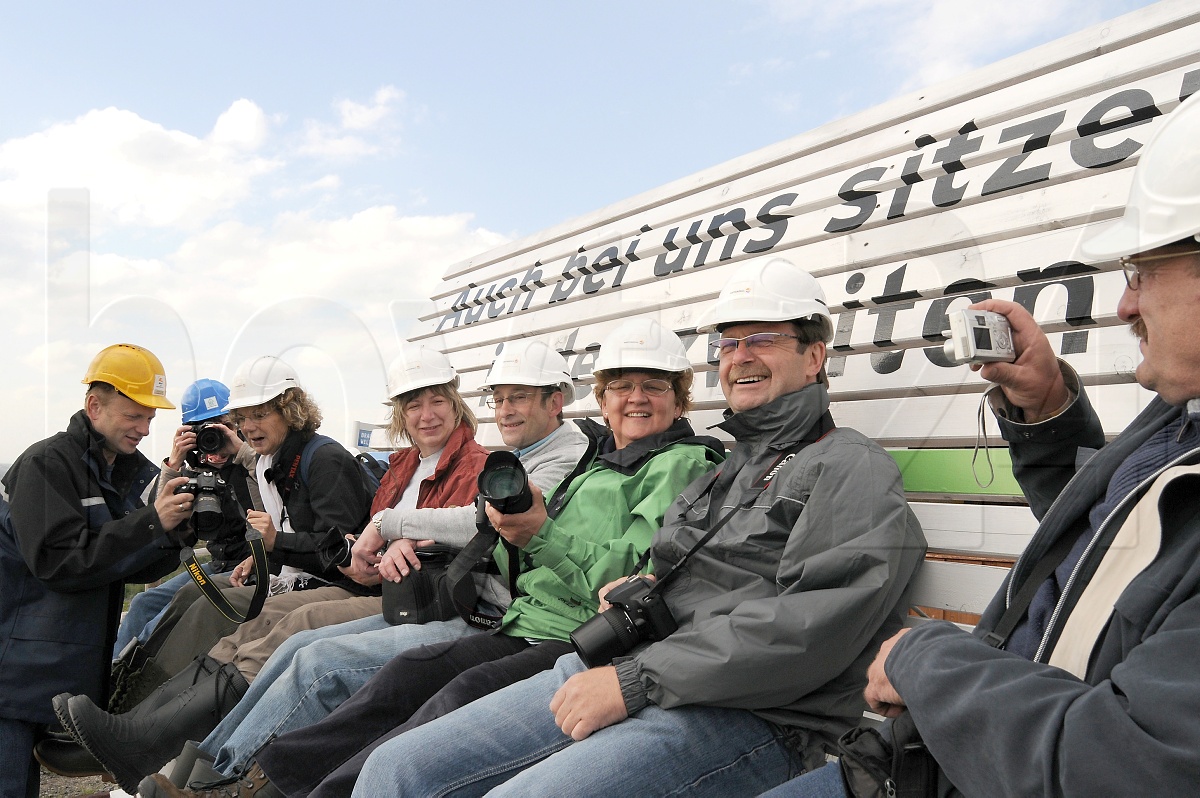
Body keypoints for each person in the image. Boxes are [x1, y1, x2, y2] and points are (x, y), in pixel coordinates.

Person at [348, 257, 927, 797]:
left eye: (764, 339)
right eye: (729, 342)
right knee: (396, 768)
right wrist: (634, 590)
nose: (741, 355)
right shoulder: (726, 469)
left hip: (748, 713)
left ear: (814, 356)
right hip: (628, 665)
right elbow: (667, 568)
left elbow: (813, 627)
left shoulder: (850, 467)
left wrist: (638, 680)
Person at [762, 92, 1200, 798]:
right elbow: (1118, 547)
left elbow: (1124, 767)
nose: (1124, 305)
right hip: (954, 747)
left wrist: (928, 658)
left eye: (1143, 271)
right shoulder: (1181, 420)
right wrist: (1046, 404)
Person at [144, 318, 727, 798]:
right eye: (622, 387)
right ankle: (216, 770)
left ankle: (234, 779)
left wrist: (406, 533)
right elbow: (492, 537)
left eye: (652, 386)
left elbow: (615, 574)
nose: (635, 399)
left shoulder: (671, 465)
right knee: (337, 657)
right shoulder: (591, 464)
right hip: (502, 613)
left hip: (553, 631)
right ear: (599, 398)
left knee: (355, 668)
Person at [53, 355, 377, 794]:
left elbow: (341, 550)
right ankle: (125, 716)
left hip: (333, 585)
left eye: (260, 414)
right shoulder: (270, 461)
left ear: (291, 408)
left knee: (211, 606)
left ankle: (142, 733)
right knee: (181, 598)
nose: (250, 427)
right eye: (244, 418)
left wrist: (275, 548)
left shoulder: (321, 460)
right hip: (283, 571)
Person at [0, 343, 187, 798]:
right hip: (15, 666)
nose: (144, 430)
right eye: (133, 416)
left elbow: (142, 562)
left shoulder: (126, 470)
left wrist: (178, 526)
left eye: (150, 419)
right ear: (94, 405)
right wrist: (151, 523)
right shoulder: (47, 464)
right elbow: (60, 562)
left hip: (62, 660)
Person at [112, 378, 263, 658]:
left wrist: (242, 452)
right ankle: (112, 673)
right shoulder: (193, 471)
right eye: (204, 432)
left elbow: (272, 492)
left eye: (223, 428)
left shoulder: (254, 461)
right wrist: (174, 463)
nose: (215, 441)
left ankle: (130, 678)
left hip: (252, 566)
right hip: (220, 564)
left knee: (165, 622)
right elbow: (156, 514)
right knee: (144, 603)